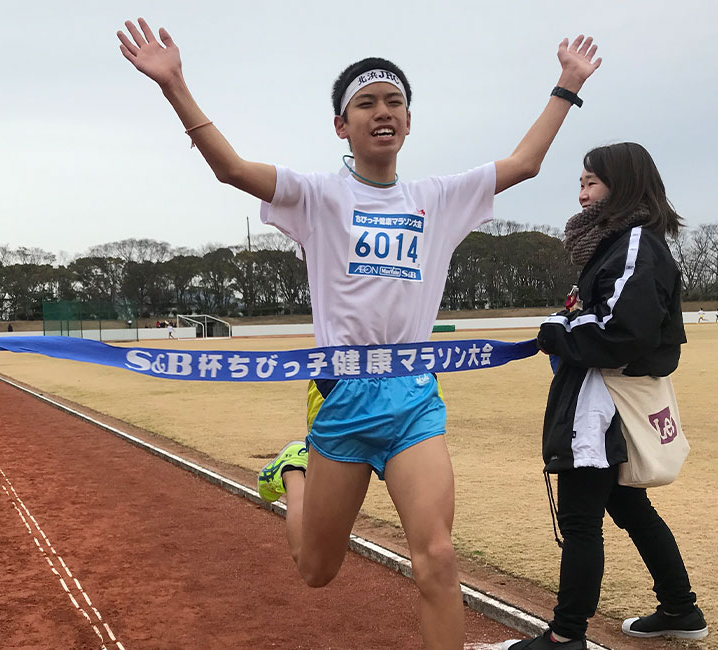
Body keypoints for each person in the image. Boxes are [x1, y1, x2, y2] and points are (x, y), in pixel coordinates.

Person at [118, 18, 601, 649]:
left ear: (409, 121)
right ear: (342, 126)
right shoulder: (317, 196)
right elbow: (232, 169)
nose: (383, 112)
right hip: (341, 400)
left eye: (395, 102)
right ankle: (293, 471)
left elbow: (525, 164)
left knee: (437, 558)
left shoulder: (440, 198)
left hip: (411, 402)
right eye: (366, 103)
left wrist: (566, 85)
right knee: (316, 571)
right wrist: (174, 85)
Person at [502, 143, 708, 649]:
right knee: (630, 509)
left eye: (591, 182)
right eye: (580, 183)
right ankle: (681, 608)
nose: (581, 194)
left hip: (603, 405)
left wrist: (555, 330)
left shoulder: (634, 241)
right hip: (606, 399)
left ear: (625, 185)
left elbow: (623, 331)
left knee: (579, 521)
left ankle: (565, 636)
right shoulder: (620, 244)